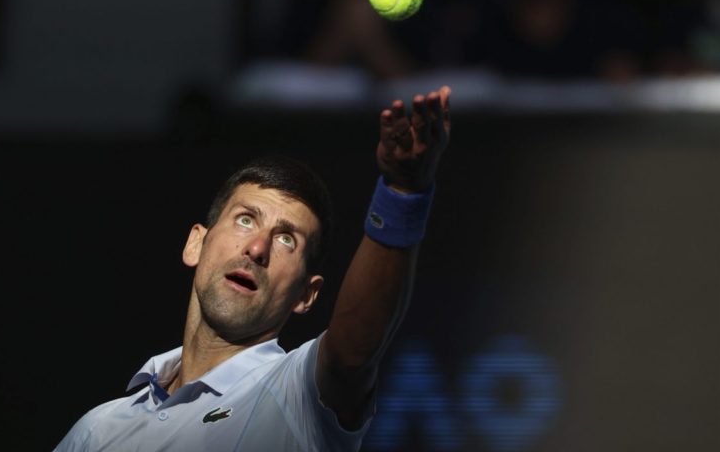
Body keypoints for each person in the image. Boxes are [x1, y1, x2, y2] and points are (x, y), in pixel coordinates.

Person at [54, 86, 452, 451]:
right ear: (197, 243)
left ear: (305, 295)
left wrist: (402, 193)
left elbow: (355, 349)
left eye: (286, 240)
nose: (258, 247)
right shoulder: (98, 430)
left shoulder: (298, 394)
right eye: (246, 219)